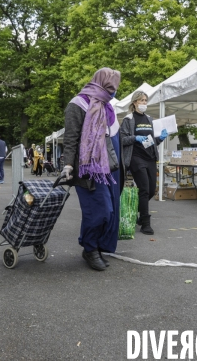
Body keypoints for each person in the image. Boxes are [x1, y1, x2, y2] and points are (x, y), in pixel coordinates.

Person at [61, 67, 121, 271]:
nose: (113, 92)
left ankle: (94, 246)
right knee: (99, 212)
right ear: (101, 83)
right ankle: (89, 249)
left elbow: (113, 140)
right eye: (110, 88)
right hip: (85, 169)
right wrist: (67, 165)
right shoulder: (76, 105)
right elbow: (70, 139)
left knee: (109, 212)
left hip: (106, 169)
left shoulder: (107, 107)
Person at [120, 91, 168, 235]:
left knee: (152, 189)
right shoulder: (128, 120)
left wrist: (161, 139)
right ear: (134, 102)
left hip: (150, 157)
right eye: (141, 100)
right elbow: (122, 140)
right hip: (136, 157)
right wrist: (135, 138)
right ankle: (145, 223)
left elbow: (151, 142)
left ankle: (138, 213)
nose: (144, 103)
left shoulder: (149, 119)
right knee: (144, 188)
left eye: (146, 100)